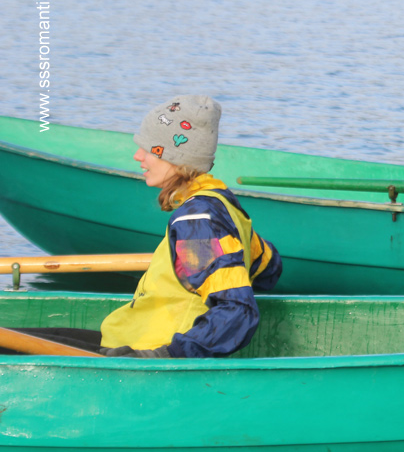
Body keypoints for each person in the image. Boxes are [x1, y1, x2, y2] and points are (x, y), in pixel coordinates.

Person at [3, 95, 282, 358]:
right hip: (129, 339)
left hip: (147, 352)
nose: (138, 156)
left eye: (149, 149)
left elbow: (236, 311)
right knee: (13, 337)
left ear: (176, 158)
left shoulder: (196, 220)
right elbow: (269, 268)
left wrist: (166, 356)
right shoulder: (222, 204)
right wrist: (184, 266)